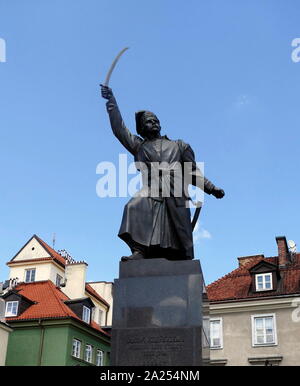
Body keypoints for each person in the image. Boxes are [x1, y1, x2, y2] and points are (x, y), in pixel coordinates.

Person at [100, 85, 225, 261]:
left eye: (155, 120)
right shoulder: (139, 146)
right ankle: (140, 251)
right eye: (148, 121)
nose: (153, 123)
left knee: (180, 231)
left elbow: (192, 172)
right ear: (142, 129)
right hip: (152, 188)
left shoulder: (180, 146)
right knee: (133, 206)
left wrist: (212, 188)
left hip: (175, 189)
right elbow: (119, 130)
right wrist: (111, 102)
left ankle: (181, 257)